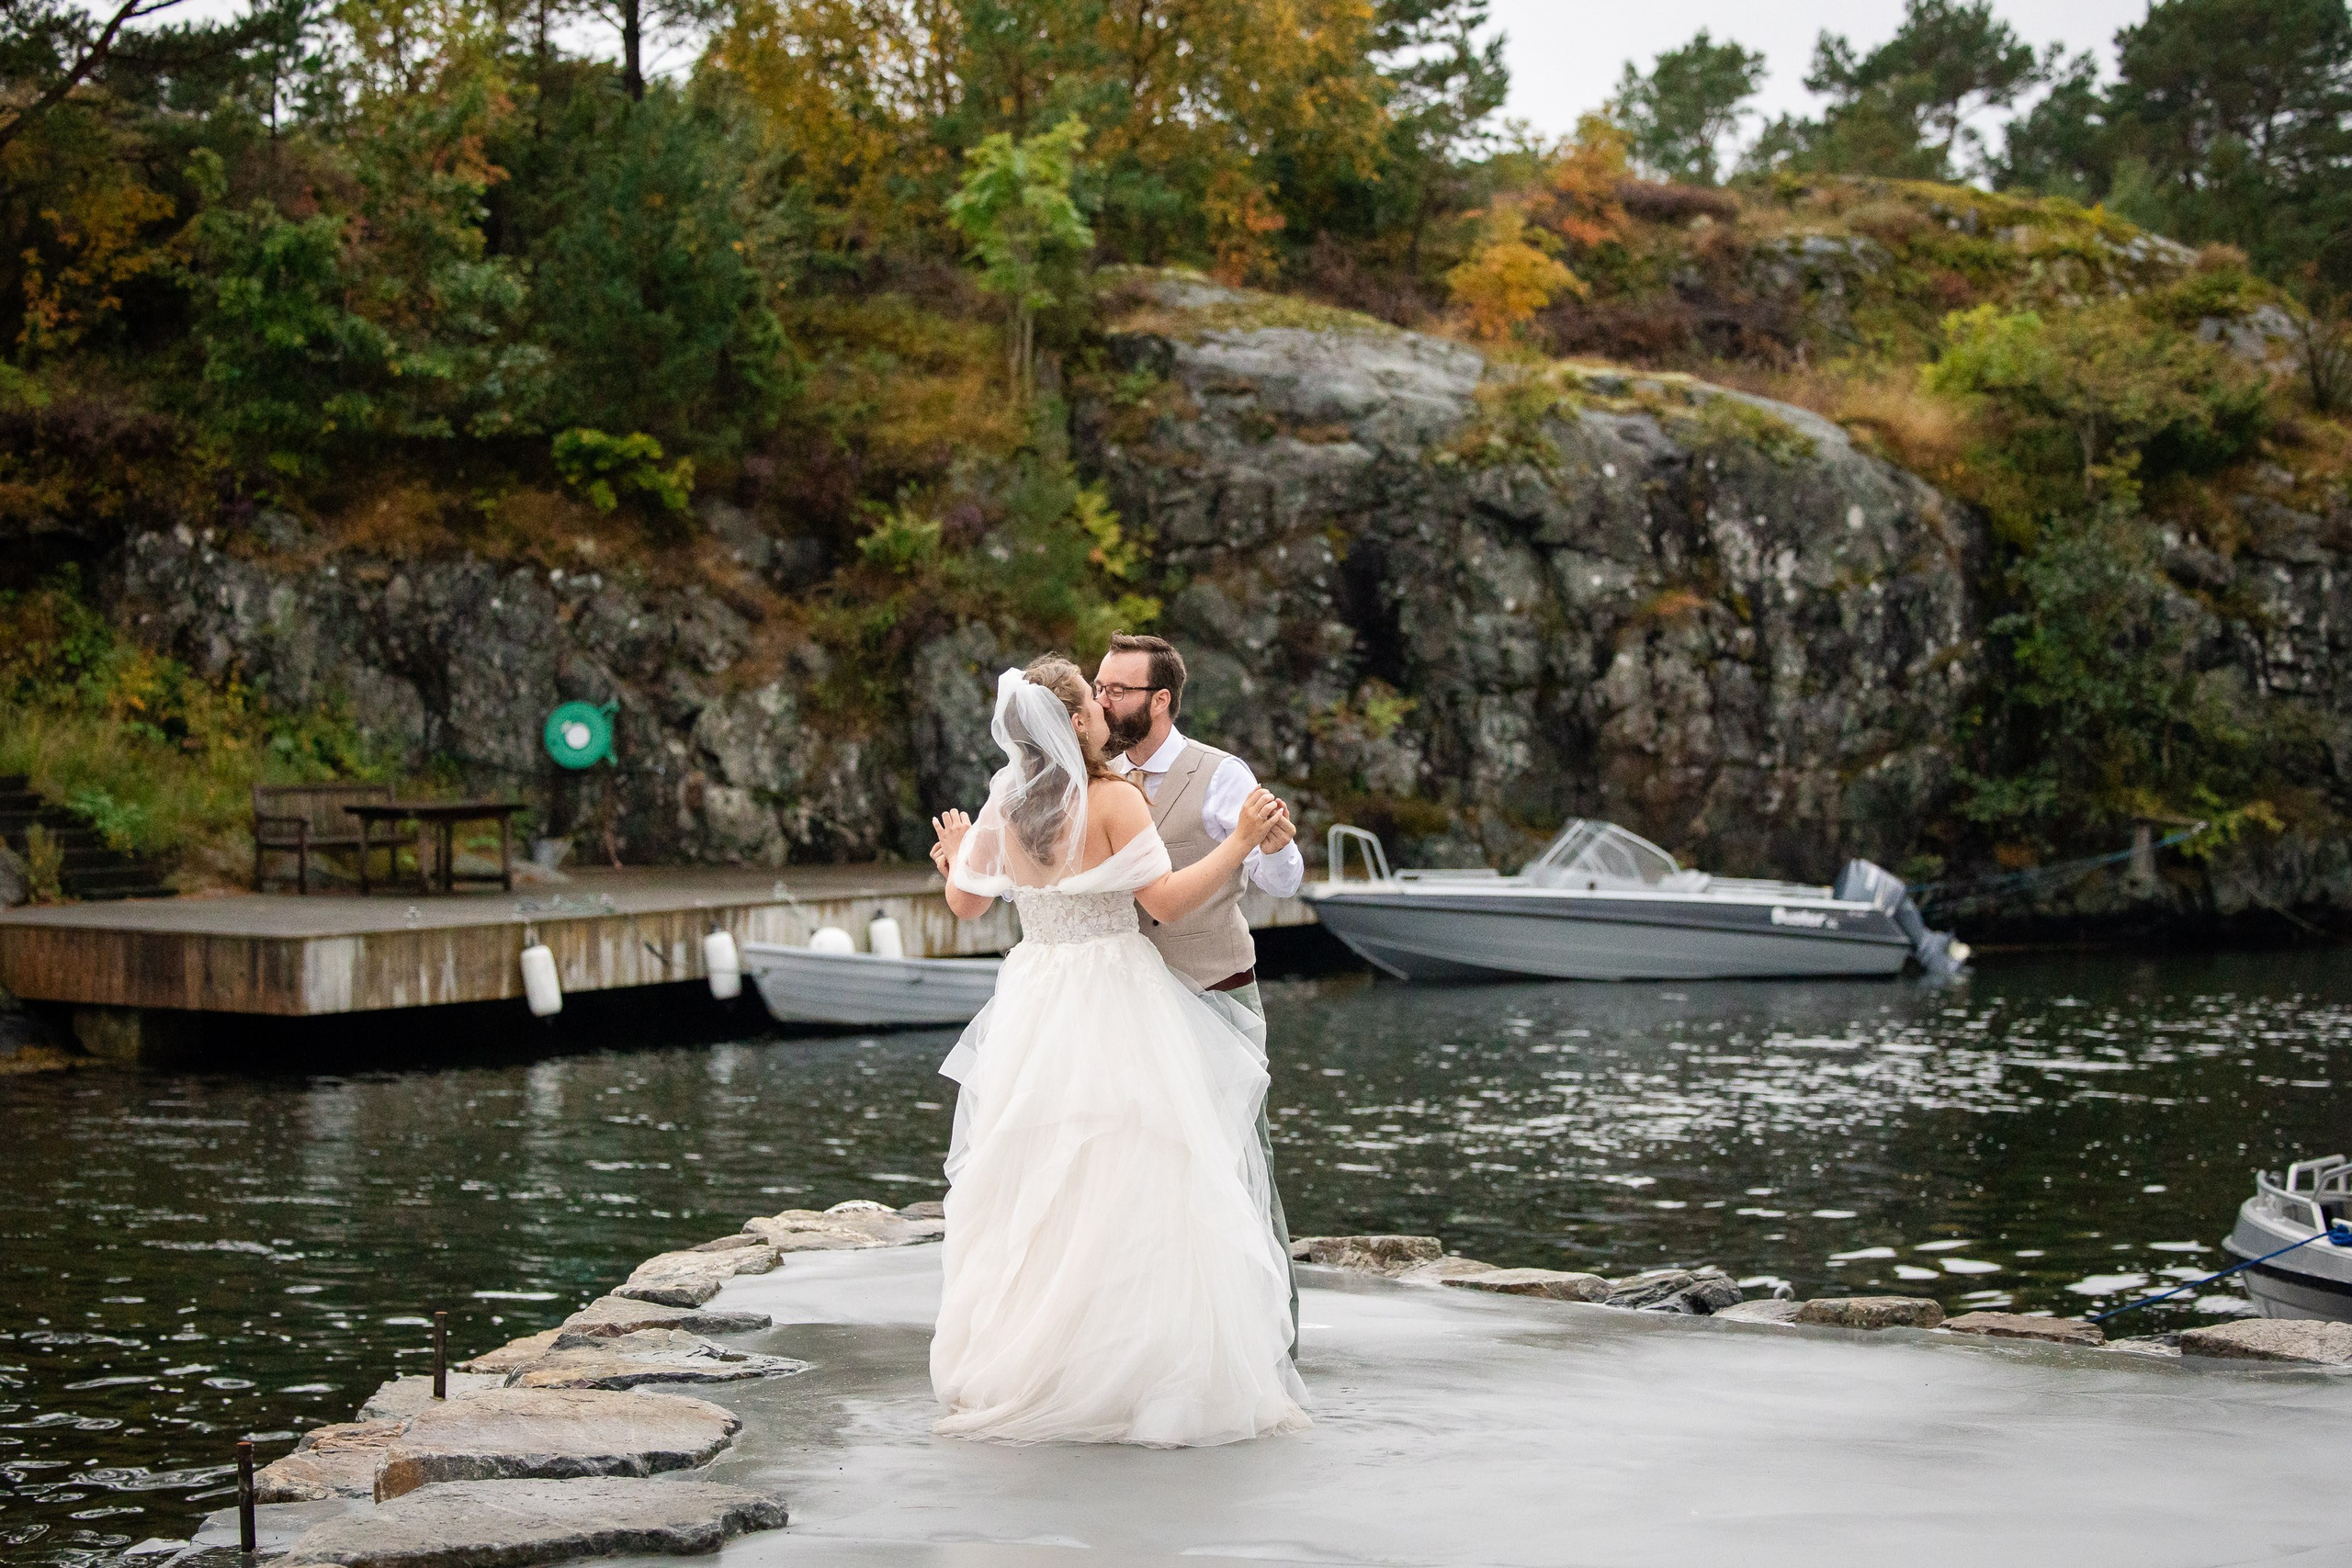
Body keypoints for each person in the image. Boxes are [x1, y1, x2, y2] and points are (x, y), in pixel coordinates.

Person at [924, 656, 1309, 1447]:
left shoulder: (1007, 801)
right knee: (1139, 1177)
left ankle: (1038, 1362)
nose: (1103, 708)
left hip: (1035, 999)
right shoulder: (1111, 798)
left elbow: (965, 903)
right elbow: (1165, 901)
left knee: (1044, 1179)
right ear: (1074, 725)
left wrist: (957, 851)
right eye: (1092, 703)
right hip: (1113, 995)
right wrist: (1239, 841)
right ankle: (1136, 1371)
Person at [1091, 631, 1304, 1354]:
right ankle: (1167, 1346)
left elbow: (1284, 876)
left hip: (1214, 990)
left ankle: (1276, 1345)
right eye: (1098, 685)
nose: (1101, 698)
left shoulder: (1218, 773)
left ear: (1160, 700)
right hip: (1123, 1008)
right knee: (1143, 1176)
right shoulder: (1090, 774)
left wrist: (1272, 845)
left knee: (1243, 1163)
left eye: (1117, 689)